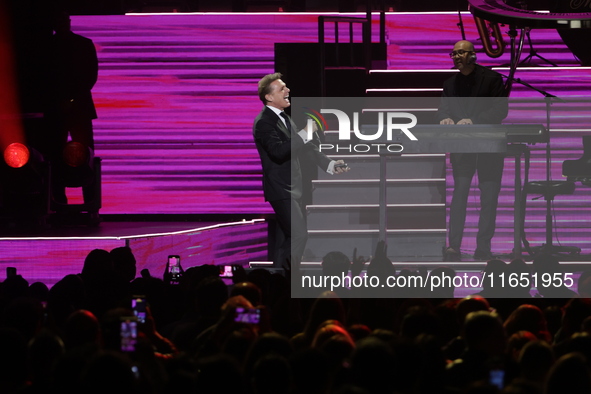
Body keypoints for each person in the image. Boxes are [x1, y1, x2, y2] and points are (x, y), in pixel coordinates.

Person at [253, 73, 347, 270]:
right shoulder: (264, 122)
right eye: (282, 89)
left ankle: (279, 280)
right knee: (298, 235)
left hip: (293, 188)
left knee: (286, 239)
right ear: (269, 97)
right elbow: (278, 152)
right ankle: (290, 279)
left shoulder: (284, 119)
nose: (288, 91)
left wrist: (329, 164)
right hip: (281, 189)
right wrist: (305, 132)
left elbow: (305, 147)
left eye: (286, 87)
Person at [438, 40, 508, 261]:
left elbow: (500, 109)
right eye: (454, 53)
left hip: (488, 146)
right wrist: (444, 118)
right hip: (462, 147)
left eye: (461, 53)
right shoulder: (450, 84)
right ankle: (454, 247)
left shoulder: (492, 78)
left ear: (473, 55)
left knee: (489, 198)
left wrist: (474, 121)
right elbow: (442, 109)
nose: (457, 57)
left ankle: (483, 248)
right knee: (459, 196)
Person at [47, 10, 99, 205]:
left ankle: (59, 201)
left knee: (63, 153)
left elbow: (89, 76)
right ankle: (87, 200)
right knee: (81, 153)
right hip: (75, 107)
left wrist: (65, 100)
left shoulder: (49, 47)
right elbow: (89, 76)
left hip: (61, 108)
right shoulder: (82, 44)